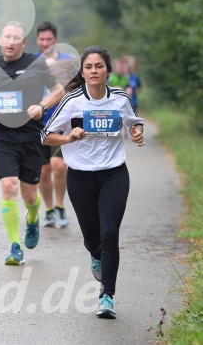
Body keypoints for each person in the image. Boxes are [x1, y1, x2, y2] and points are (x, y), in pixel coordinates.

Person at [41, 46, 145, 319]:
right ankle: (95, 255)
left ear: (108, 71)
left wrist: (136, 132)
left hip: (114, 174)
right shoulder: (73, 101)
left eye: (99, 66)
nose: (94, 71)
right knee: (92, 237)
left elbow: (134, 122)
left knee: (110, 232)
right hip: (80, 177)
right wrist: (68, 138)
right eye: (88, 67)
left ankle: (107, 296)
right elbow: (46, 135)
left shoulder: (120, 98)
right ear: (83, 72)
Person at [0, 20, 66, 266]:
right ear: (0, 40)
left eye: (16, 38)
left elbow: (58, 90)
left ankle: (32, 219)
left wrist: (42, 106)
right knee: (8, 186)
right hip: (2, 135)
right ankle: (14, 246)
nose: (10, 42)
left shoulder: (36, 63)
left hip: (31, 136)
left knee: (30, 195)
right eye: (6, 37)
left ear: (23, 43)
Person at [35, 21, 72, 228]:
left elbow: (75, 89)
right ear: (37, 40)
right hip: (37, 125)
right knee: (43, 171)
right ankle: (48, 210)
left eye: (49, 39)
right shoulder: (31, 63)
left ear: (55, 40)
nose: (45, 43)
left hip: (60, 124)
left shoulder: (68, 63)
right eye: (42, 39)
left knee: (59, 167)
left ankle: (60, 206)